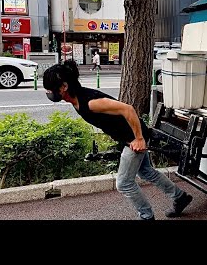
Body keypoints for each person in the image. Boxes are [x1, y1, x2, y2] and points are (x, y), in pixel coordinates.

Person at [43, 60, 193, 221]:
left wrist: (139, 139)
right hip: (128, 138)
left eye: (50, 90)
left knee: (124, 183)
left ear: (64, 87)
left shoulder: (90, 102)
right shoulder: (76, 100)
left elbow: (128, 109)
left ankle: (146, 216)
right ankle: (180, 197)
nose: (49, 93)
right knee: (146, 171)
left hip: (134, 137)